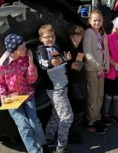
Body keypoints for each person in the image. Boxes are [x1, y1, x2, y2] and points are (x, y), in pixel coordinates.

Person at [0, 33, 49, 153]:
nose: (26, 49)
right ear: (15, 51)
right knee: (23, 126)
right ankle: (34, 151)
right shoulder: (3, 65)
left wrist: (31, 65)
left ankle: (44, 145)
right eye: (23, 48)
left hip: (27, 95)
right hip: (12, 99)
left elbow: (31, 80)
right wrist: (2, 95)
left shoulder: (25, 60)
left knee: (35, 123)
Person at [36, 24, 73, 153]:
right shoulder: (42, 50)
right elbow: (43, 63)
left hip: (62, 86)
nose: (50, 39)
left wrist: (65, 59)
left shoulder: (54, 48)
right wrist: (51, 63)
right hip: (56, 89)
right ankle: (62, 145)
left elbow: (59, 61)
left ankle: (48, 137)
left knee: (57, 114)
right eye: (47, 37)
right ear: (41, 39)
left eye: (52, 36)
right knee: (67, 117)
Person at [83, 9, 110, 134]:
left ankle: (97, 117)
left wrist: (106, 66)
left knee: (99, 95)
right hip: (93, 70)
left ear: (102, 21)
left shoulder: (102, 33)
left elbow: (106, 52)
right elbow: (88, 53)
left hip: (102, 70)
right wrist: (99, 66)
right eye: (94, 20)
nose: (97, 22)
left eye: (99, 20)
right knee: (92, 97)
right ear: (89, 21)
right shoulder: (89, 33)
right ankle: (90, 121)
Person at [64, 25, 87, 144]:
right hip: (73, 83)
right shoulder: (68, 49)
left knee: (81, 107)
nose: (75, 38)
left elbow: (79, 65)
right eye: (73, 36)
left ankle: (76, 131)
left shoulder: (82, 48)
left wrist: (74, 65)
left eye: (77, 35)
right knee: (76, 107)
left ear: (81, 37)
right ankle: (71, 133)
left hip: (82, 81)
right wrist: (68, 64)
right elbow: (63, 67)